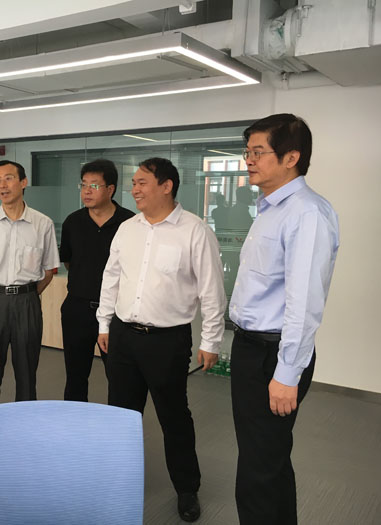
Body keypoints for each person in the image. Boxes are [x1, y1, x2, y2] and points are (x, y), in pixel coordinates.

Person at [96, 157, 226, 523]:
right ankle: (118, 480)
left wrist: (211, 341)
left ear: (166, 186)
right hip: (123, 336)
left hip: (167, 341)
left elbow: (212, 291)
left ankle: (187, 488)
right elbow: (111, 277)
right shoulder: (128, 229)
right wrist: (104, 323)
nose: (134, 189)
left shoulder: (195, 231)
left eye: (142, 182)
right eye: (134, 183)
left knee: (174, 417)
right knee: (121, 415)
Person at [230, 114, 339, 525]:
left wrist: (287, 373)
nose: (249, 160)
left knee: (258, 471)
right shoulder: (272, 208)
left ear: (291, 157)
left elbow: (304, 303)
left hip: (272, 356)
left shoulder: (306, 213)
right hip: (252, 348)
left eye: (258, 152)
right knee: (266, 459)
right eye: (248, 151)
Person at [0, 160, 59, 406]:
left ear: (23, 182)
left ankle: (24, 425)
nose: (2, 185)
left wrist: (25, 294)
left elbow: (49, 271)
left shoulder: (42, 223)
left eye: (8, 178)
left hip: (27, 303)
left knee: (27, 374)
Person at [59, 159, 134, 401]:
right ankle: (75, 422)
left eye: (94, 185)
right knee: (75, 376)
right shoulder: (73, 222)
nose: (87, 191)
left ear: (110, 189)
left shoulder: (130, 223)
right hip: (78, 309)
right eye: (83, 185)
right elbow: (68, 261)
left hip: (116, 312)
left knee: (120, 378)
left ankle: (116, 423)